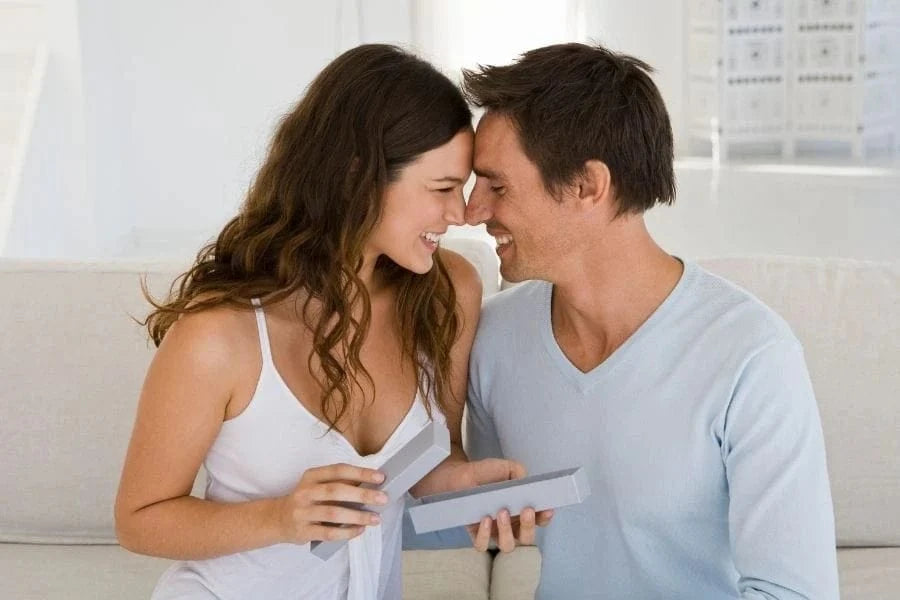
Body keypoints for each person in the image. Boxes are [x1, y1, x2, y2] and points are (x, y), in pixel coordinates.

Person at [405, 43, 840, 599]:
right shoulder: (494, 338)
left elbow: (795, 593)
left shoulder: (752, 356)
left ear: (588, 186)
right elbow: (481, 525)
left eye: (498, 185)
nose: (472, 210)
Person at [115, 44, 523, 600]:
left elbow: (425, 460)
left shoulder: (449, 292)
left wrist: (465, 485)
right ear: (358, 175)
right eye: (442, 189)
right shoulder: (221, 335)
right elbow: (140, 519)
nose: (460, 214)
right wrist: (280, 518)